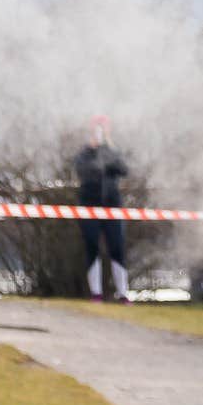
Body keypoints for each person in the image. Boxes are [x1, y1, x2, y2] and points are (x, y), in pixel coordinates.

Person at [75, 116, 130, 302]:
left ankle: (123, 293)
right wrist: (92, 151)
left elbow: (123, 169)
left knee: (117, 247)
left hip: (112, 206)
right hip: (89, 206)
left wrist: (109, 151)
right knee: (92, 247)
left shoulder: (113, 151)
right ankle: (96, 292)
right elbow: (82, 170)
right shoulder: (84, 153)